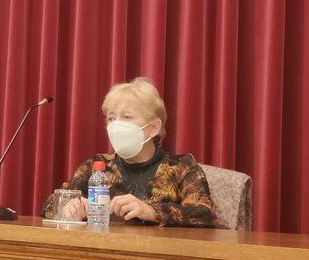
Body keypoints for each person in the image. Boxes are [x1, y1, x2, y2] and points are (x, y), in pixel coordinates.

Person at [41, 78, 216, 227]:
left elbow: (204, 213)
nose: (116, 125)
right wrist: (68, 207)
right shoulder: (97, 166)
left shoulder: (181, 166)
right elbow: (48, 206)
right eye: (111, 118)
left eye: (127, 117)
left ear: (153, 128)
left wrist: (151, 211)